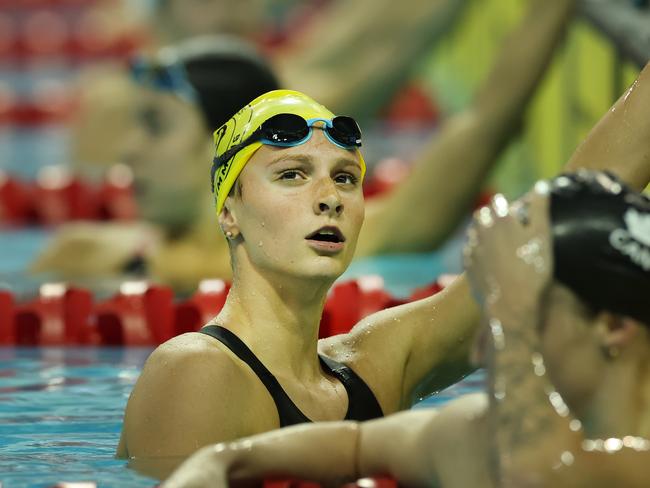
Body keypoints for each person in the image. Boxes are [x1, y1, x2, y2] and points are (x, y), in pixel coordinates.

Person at [117, 49, 650, 477]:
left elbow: (566, 208)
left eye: (345, 178)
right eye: (292, 174)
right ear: (229, 211)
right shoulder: (194, 371)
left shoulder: (373, 368)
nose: (329, 197)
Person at [34, 0, 578, 292]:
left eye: (154, 127)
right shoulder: (87, 257)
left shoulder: (343, 244)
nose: (128, 153)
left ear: (228, 144)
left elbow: (486, 122)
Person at [162, 170, 650, 488]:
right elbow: (354, 444)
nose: (483, 348)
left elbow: (539, 478)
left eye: (514, 317)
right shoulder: (475, 436)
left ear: (612, 327)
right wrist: (222, 462)